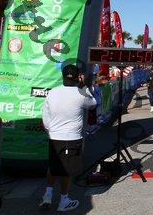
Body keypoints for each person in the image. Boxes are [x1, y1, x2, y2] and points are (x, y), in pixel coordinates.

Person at [39, 65, 97, 212]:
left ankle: (47, 196)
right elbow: (93, 104)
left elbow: (45, 117)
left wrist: (51, 131)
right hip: (71, 138)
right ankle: (63, 200)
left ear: (62, 76)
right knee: (66, 170)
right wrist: (84, 86)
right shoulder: (81, 93)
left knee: (53, 166)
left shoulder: (52, 92)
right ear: (78, 77)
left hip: (54, 137)